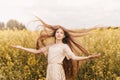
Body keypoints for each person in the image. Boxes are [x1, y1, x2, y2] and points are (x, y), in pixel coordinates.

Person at [11, 17, 100, 80]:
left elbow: (73, 57)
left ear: (64, 36)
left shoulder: (64, 46)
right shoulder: (50, 46)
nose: (59, 34)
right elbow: (36, 51)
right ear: (55, 34)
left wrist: (88, 57)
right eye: (57, 32)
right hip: (50, 68)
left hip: (57, 69)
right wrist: (21, 47)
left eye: (61, 33)